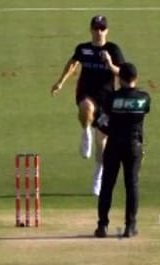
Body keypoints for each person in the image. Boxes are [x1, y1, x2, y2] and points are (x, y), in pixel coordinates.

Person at [50, 15, 125, 196]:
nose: (98, 32)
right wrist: (60, 82)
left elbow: (122, 72)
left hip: (107, 100)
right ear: (91, 30)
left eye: (102, 28)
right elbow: (73, 63)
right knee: (86, 108)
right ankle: (85, 132)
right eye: (95, 28)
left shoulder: (113, 49)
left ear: (106, 30)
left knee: (102, 144)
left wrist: (110, 64)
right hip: (86, 93)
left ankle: (97, 177)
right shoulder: (84, 49)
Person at [94, 62, 151, 238]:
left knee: (107, 184)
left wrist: (110, 129)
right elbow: (144, 111)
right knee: (131, 184)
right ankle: (130, 226)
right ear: (136, 78)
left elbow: (102, 122)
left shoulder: (111, 99)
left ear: (119, 78)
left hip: (114, 144)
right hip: (134, 145)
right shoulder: (144, 98)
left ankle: (102, 226)